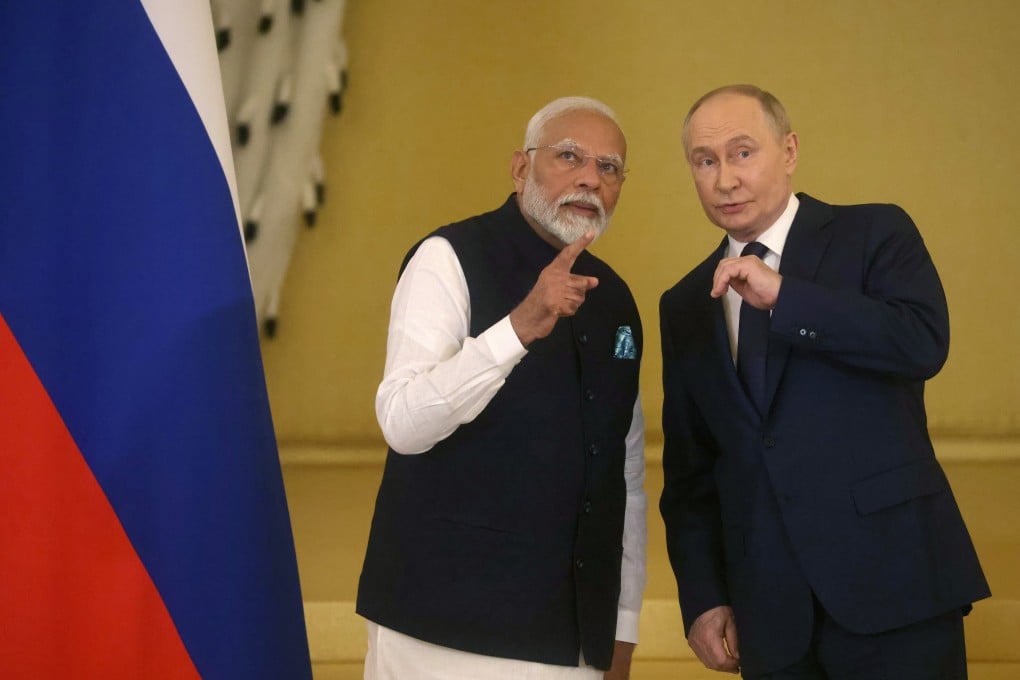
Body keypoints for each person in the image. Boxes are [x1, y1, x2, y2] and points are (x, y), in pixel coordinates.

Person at [658, 84, 990, 679]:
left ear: (788, 151)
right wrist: (704, 598)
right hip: (770, 620)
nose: (725, 179)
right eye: (705, 162)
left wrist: (785, 297)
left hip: (897, 591)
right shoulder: (684, 303)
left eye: (742, 153)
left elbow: (920, 342)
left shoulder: (875, 234)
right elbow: (691, 474)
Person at [357, 96, 647, 680]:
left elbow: (625, 472)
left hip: (572, 639)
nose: (591, 177)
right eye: (569, 156)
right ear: (521, 168)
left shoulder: (615, 297)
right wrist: (517, 329)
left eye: (609, 167)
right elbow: (403, 422)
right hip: (439, 627)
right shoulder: (447, 257)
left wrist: (622, 624)